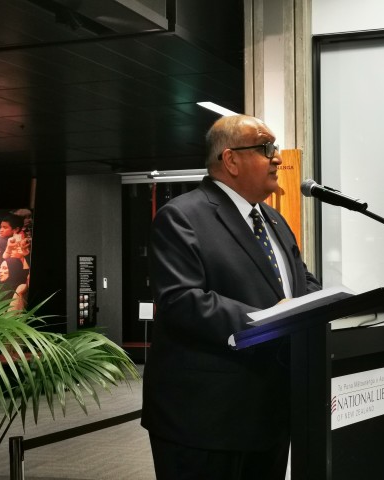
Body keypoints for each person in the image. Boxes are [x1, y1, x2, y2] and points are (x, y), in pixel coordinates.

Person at [142, 114, 321, 480]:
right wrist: (271, 319)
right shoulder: (181, 217)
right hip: (205, 421)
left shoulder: (273, 219)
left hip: (269, 415)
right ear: (231, 160)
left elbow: (301, 282)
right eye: (266, 148)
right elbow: (182, 301)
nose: (277, 157)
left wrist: (322, 304)